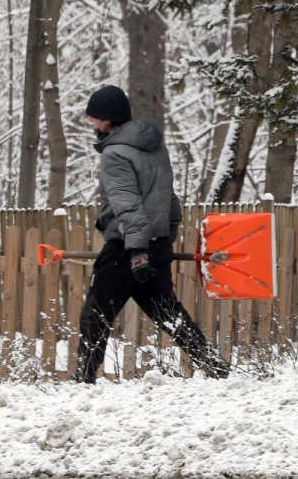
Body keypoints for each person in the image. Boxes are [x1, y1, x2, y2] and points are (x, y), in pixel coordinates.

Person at [75, 84, 229, 382]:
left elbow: (127, 204)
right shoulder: (155, 147)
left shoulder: (115, 154)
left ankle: (83, 381)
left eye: (93, 117)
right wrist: (163, 243)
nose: (90, 122)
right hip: (153, 244)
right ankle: (215, 368)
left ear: (108, 118)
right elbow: (169, 199)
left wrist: (136, 253)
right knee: (168, 312)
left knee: (95, 315)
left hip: (126, 248)